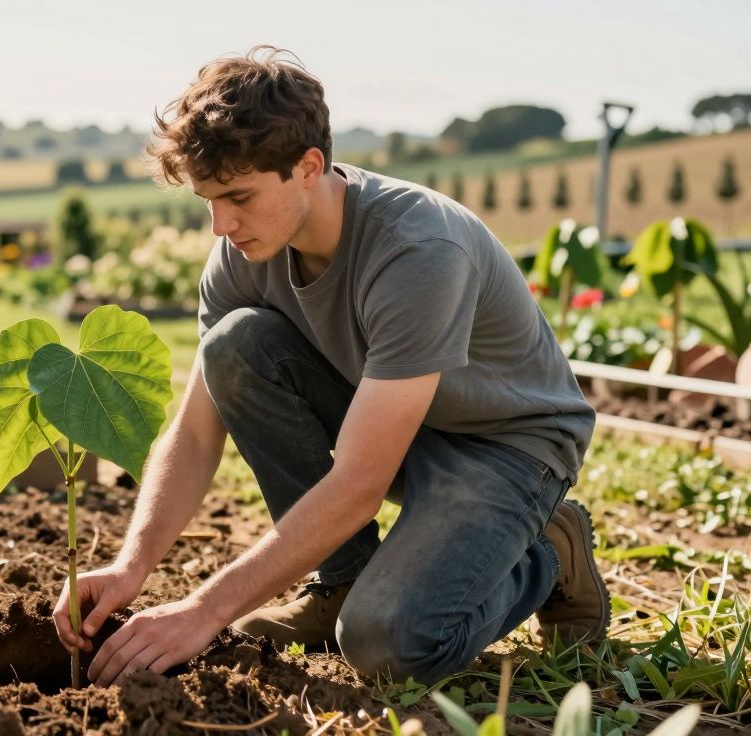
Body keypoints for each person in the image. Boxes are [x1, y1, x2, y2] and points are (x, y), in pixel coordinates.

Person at [53, 46, 606, 688]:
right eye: (207, 200)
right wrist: (130, 566)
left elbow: (360, 480)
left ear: (309, 166)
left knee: (385, 645)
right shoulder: (241, 254)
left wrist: (205, 610)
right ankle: (340, 582)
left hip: (506, 447)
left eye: (238, 196)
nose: (220, 225)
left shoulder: (417, 250)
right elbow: (196, 431)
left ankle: (548, 552)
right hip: (389, 423)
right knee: (235, 346)